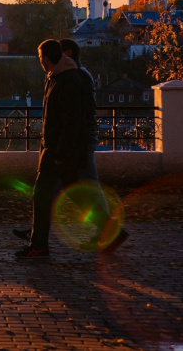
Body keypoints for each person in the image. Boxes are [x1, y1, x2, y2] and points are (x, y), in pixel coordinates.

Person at [15, 39, 86, 258]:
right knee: (76, 196)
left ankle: (39, 245)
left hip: (57, 152)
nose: (40, 62)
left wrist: (61, 154)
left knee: (42, 196)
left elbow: (70, 121)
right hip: (55, 150)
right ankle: (111, 231)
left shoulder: (66, 81)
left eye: (40, 58)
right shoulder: (57, 78)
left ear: (46, 58)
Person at [59, 38, 128, 252]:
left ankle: (111, 233)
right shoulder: (80, 74)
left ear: (68, 52)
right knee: (82, 186)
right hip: (81, 139)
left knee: (90, 186)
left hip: (81, 140)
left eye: (59, 53)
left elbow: (78, 111)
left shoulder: (77, 76)